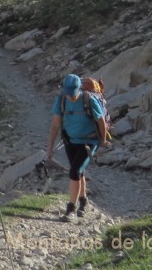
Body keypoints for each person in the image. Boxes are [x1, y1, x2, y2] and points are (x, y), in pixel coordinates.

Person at [46, 73, 107, 221]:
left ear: (79, 89)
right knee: (79, 171)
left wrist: (103, 140)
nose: (70, 97)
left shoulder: (89, 100)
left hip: (89, 142)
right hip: (70, 141)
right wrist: (50, 148)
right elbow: (55, 125)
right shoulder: (61, 100)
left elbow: (101, 122)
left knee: (75, 170)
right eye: (68, 94)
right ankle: (83, 201)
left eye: (72, 94)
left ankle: (71, 209)